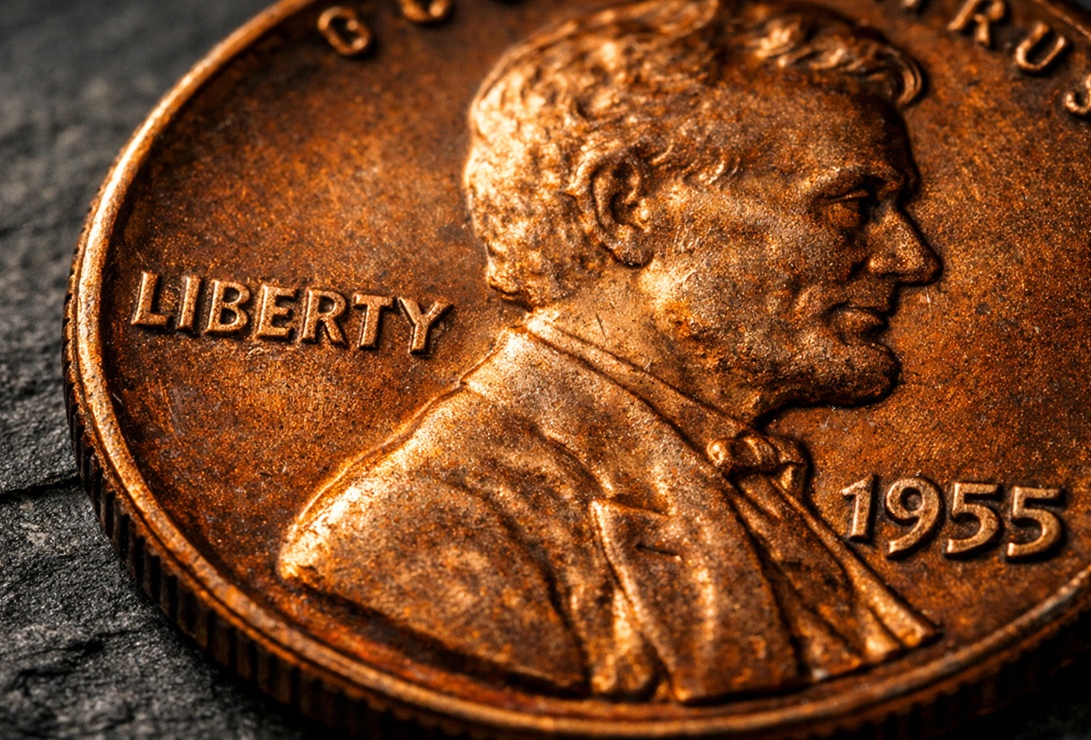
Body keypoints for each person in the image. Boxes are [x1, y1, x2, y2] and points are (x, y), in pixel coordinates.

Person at [280, 0, 942, 704]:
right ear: (626, 208)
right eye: (853, 204)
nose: (912, 258)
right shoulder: (414, 529)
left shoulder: (741, 475)